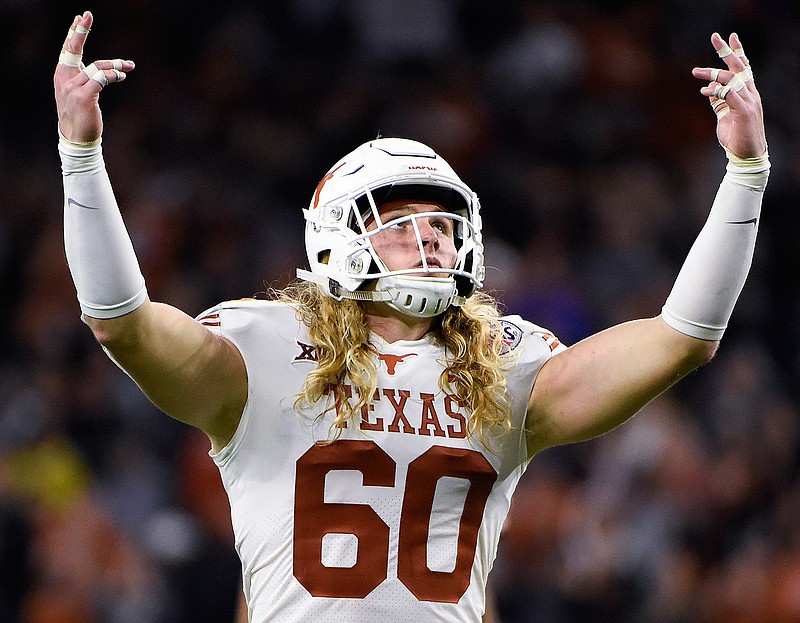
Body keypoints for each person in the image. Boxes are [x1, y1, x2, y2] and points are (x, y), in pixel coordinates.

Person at [54, 10, 769, 623]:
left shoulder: (503, 364)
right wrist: (81, 155)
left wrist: (745, 176)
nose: (430, 237)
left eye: (442, 224)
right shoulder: (267, 346)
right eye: (398, 220)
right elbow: (123, 321)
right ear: (337, 235)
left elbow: (683, 337)